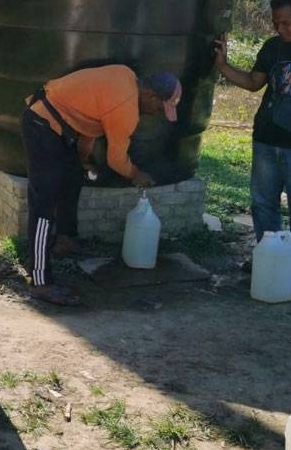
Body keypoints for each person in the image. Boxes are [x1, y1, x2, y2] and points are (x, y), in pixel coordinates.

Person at [21, 65, 181, 305]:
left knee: (73, 178)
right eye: (161, 106)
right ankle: (40, 280)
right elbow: (116, 160)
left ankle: (65, 239)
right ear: (150, 96)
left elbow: (91, 123)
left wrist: (82, 160)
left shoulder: (125, 76)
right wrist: (136, 173)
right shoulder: (126, 109)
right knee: (44, 204)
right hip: (41, 124)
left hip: (58, 124)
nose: (158, 113)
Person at [214, 0, 291, 280]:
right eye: (276, 23)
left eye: (286, 23)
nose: (280, 29)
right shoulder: (273, 47)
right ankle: (268, 256)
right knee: (263, 203)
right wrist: (223, 66)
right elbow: (254, 82)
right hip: (265, 138)